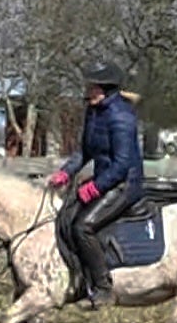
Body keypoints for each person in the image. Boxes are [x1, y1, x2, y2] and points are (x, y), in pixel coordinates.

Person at [47, 60, 144, 308]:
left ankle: (103, 289)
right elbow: (85, 152)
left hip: (124, 185)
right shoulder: (94, 112)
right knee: (65, 216)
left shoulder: (121, 118)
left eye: (91, 86)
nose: (87, 90)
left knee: (83, 227)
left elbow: (122, 165)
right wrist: (65, 173)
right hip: (105, 179)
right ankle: (79, 278)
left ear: (104, 89)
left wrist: (95, 188)